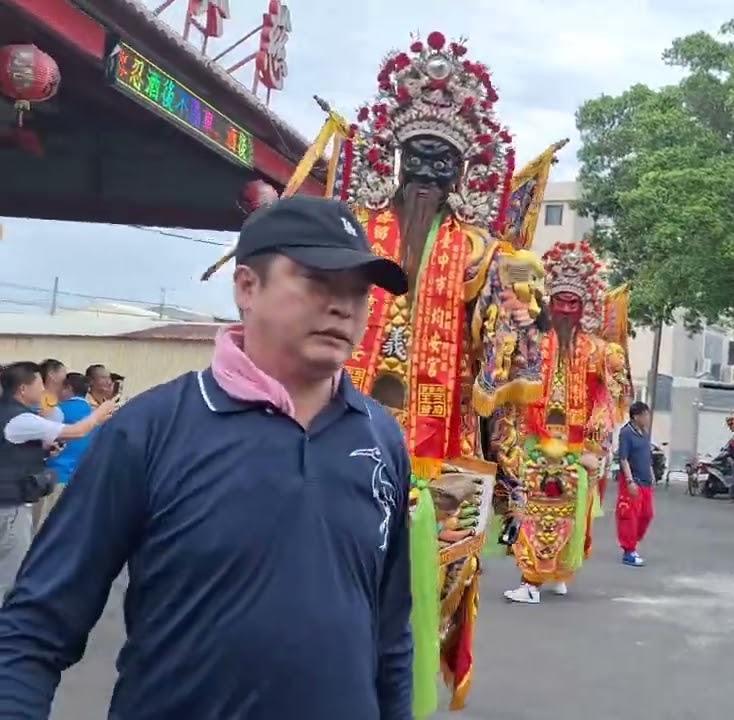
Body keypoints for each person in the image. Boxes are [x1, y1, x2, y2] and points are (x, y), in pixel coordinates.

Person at [0, 195, 417, 719]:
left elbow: (391, 633)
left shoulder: (381, 437)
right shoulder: (152, 428)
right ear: (247, 286)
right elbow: (36, 624)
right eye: (318, 281)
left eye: (359, 291)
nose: (344, 306)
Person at [337, 30, 545, 711]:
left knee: (436, 588)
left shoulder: (483, 250)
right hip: (341, 432)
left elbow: (504, 347)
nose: (426, 172)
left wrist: (514, 329)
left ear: (464, 175)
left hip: (446, 448)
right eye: (416, 155)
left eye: (442, 161)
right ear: (393, 159)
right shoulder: (355, 231)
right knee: (333, 576)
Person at [499, 237, 629, 605]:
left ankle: (546, 577)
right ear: (550, 302)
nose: (567, 309)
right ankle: (536, 578)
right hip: (535, 442)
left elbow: (610, 397)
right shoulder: (534, 342)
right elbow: (512, 385)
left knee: (568, 512)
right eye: (560, 301)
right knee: (534, 511)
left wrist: (594, 444)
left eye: (574, 303)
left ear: (584, 306)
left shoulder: (600, 350)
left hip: (575, 446)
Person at [0, 362, 114, 591]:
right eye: (39, 384)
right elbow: (76, 432)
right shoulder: (20, 419)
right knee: (8, 578)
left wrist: (42, 450)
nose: (43, 390)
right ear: (23, 389)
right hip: (10, 508)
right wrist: (99, 414)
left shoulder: (8, 414)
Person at [35, 373, 94, 532]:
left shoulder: (57, 411)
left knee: (42, 529)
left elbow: (43, 440)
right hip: (82, 479)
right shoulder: (95, 415)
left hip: (55, 476)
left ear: (69, 388)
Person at [617, 401, 655, 567]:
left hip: (645, 480)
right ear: (636, 416)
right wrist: (629, 480)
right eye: (645, 415)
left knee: (647, 514)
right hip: (632, 481)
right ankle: (628, 551)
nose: (648, 418)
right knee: (629, 517)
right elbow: (623, 458)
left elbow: (647, 456)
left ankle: (634, 542)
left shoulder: (644, 433)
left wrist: (652, 473)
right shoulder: (626, 433)